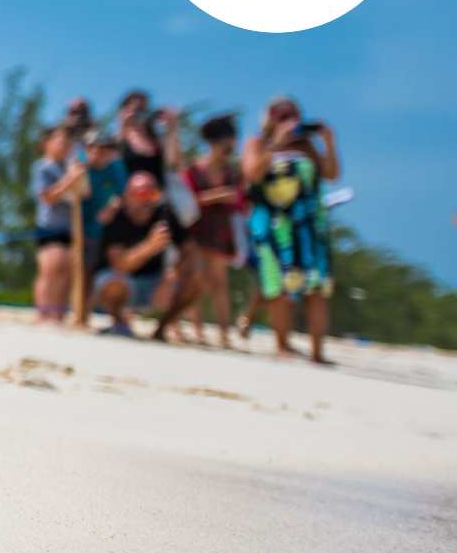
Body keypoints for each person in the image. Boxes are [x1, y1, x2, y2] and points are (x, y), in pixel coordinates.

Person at [242, 96, 339, 363]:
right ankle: (282, 345)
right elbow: (251, 175)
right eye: (281, 115)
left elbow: (331, 174)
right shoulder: (257, 143)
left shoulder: (307, 146)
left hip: (309, 225)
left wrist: (329, 142)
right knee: (279, 286)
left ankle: (318, 352)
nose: (289, 120)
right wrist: (275, 144)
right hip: (273, 225)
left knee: (316, 286)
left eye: (293, 114)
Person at [94, 171, 199, 339]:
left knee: (196, 280)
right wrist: (149, 247)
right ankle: (119, 322)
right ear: (128, 196)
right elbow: (119, 265)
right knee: (113, 285)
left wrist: (175, 272)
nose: (146, 199)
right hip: (121, 280)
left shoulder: (164, 215)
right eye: (141, 193)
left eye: (153, 193)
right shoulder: (116, 218)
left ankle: (161, 329)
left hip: (154, 282)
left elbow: (190, 250)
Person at [185, 115, 243, 346]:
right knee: (196, 279)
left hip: (220, 230)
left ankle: (223, 334)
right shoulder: (195, 168)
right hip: (197, 229)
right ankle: (196, 329)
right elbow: (187, 200)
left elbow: (240, 203)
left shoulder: (232, 172)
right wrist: (217, 196)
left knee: (220, 283)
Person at [31, 125, 89, 324]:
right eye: (60, 141)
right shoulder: (43, 167)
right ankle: (43, 311)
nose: (64, 146)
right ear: (47, 143)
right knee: (50, 267)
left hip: (69, 227)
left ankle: (57, 312)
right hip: (49, 225)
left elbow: (84, 194)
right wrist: (70, 179)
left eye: (68, 143)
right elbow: (47, 196)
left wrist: (78, 176)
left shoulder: (69, 167)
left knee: (66, 270)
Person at [80, 130, 128, 321]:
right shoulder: (79, 168)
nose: (102, 154)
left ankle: (90, 312)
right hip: (82, 230)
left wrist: (114, 205)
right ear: (88, 149)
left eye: (107, 150)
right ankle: (79, 312)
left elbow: (121, 194)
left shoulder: (116, 168)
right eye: (98, 149)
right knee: (83, 271)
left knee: (100, 274)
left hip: (106, 233)